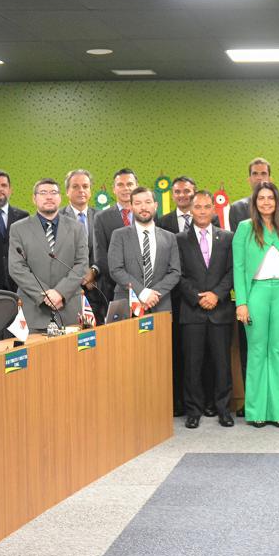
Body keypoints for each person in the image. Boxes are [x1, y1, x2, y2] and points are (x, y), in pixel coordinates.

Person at [232, 182, 279, 427]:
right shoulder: (245, 228)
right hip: (256, 293)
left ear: (277, 201)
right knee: (257, 351)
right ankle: (257, 411)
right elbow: (239, 268)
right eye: (261, 198)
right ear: (255, 202)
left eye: (270, 198)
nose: (265, 202)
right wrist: (241, 302)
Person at [177, 190, 235, 429]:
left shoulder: (228, 237)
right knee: (193, 364)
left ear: (213, 210)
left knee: (222, 364)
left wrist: (217, 295)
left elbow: (232, 271)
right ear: (191, 210)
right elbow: (177, 273)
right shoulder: (179, 239)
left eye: (206, 207)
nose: (201, 211)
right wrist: (197, 297)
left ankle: (223, 409)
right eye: (197, 207)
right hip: (192, 311)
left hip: (220, 310)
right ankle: (194, 410)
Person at [8, 178, 88, 331]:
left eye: (53, 193)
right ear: (34, 198)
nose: (49, 197)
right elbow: (16, 268)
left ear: (60, 197)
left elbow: (82, 265)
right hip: (34, 309)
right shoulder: (18, 229)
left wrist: (60, 292)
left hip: (69, 309)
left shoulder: (77, 228)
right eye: (43, 193)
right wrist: (44, 295)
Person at [157, 174, 200, 417]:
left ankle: (201, 401)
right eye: (178, 192)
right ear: (172, 195)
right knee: (174, 352)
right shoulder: (163, 222)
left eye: (187, 191)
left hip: (198, 296)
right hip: (171, 296)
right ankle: (177, 402)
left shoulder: (204, 219)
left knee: (198, 354)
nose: (183, 196)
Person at [108, 187, 181, 314]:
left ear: (155, 205)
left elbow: (175, 272)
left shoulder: (170, 237)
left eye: (148, 202)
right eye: (138, 203)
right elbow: (115, 269)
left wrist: (153, 295)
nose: (143, 207)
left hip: (160, 303)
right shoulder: (119, 235)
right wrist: (142, 292)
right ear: (130, 206)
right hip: (127, 304)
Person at [60, 169, 105, 322]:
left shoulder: (102, 217)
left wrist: (94, 271)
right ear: (67, 191)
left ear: (90, 190)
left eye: (85, 186)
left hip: (97, 289)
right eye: (75, 186)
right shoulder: (57, 219)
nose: (81, 190)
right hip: (67, 291)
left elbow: (106, 252)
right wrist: (78, 276)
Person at [93, 168, 140, 304]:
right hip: (113, 288)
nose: (125, 188)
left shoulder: (147, 214)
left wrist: (140, 283)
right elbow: (101, 256)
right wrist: (124, 280)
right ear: (114, 189)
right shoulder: (101, 218)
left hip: (145, 287)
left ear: (136, 186)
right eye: (120, 185)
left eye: (130, 184)